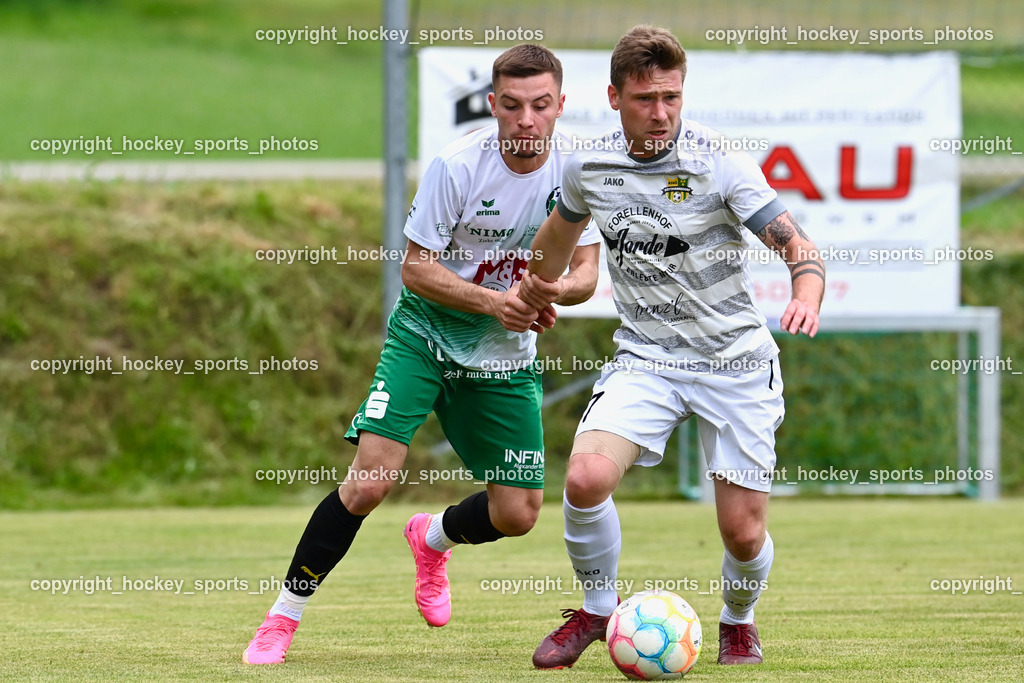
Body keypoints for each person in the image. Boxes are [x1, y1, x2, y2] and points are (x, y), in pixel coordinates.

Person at [243, 44, 601, 665]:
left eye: (540, 106)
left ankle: (431, 538)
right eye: (511, 106)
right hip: (426, 340)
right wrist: (495, 303)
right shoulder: (457, 166)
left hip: (504, 358)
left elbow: (588, 272)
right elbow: (414, 269)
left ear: (560, 105)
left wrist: (552, 291)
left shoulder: (579, 171)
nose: (525, 119)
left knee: (517, 514)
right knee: (369, 482)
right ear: (492, 105)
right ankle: (283, 617)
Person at [504, 25, 825, 668]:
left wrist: (806, 293)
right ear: (614, 97)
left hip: (734, 360)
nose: (661, 113)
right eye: (646, 98)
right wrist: (539, 289)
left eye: (672, 97)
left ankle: (738, 618)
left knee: (741, 531)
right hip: (647, 358)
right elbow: (555, 246)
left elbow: (797, 245)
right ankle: (597, 611)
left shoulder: (720, 161)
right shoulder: (588, 166)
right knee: (586, 476)